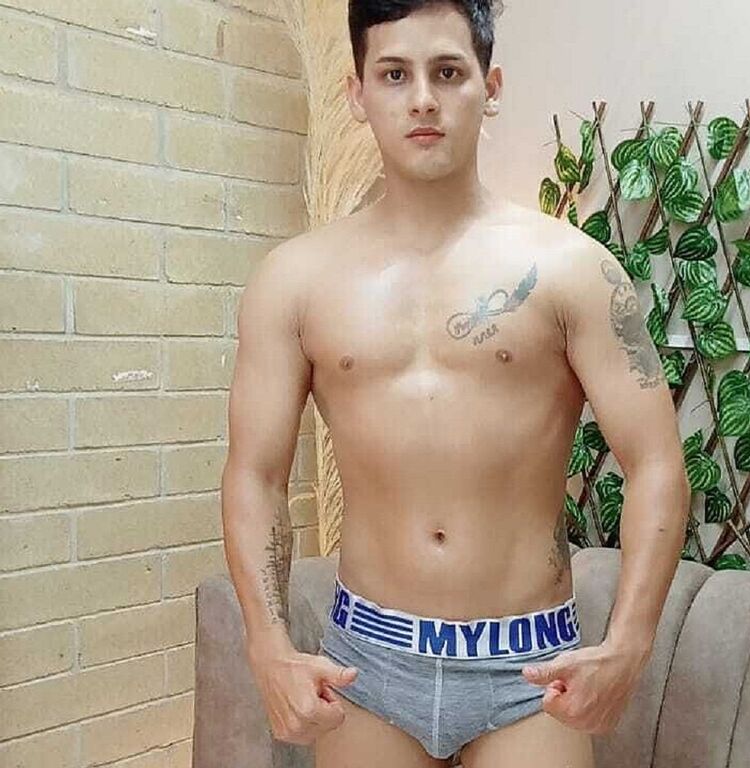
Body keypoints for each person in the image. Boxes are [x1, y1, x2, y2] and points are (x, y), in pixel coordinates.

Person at [219, 0, 691, 766]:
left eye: (447, 72)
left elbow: (657, 462)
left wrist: (630, 642)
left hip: (530, 669)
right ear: (356, 94)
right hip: (368, 662)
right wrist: (267, 643)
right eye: (393, 74)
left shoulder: (571, 270)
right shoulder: (294, 281)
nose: (422, 99)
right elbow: (255, 475)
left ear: (489, 86)